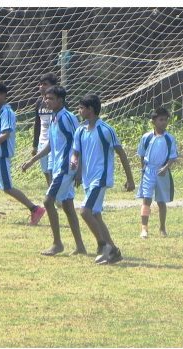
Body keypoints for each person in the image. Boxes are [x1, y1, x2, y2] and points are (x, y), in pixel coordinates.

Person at [70, 94, 135, 265]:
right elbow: (76, 153)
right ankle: (113, 251)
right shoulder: (80, 130)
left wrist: (130, 179)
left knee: (85, 211)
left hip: (100, 178)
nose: (79, 111)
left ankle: (102, 245)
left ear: (90, 109)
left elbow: (121, 153)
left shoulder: (105, 129)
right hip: (88, 178)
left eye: (81, 108)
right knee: (96, 215)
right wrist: (75, 164)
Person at [21, 86, 85, 256]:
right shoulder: (54, 117)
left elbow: (80, 143)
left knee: (48, 201)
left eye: (50, 98)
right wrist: (32, 161)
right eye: (45, 98)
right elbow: (50, 144)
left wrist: (79, 169)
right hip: (57, 167)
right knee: (68, 206)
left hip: (66, 168)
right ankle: (80, 246)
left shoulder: (67, 118)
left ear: (60, 100)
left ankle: (57, 243)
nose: (45, 101)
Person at [0, 83, 46, 225]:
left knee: (8, 188)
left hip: (1, 157)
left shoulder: (7, 112)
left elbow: (5, 134)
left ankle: (35, 209)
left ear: (4, 95)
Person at [136, 107, 178, 239]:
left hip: (162, 171)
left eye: (165, 120)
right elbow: (142, 155)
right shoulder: (146, 137)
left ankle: (162, 227)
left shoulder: (169, 138)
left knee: (161, 201)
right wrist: (143, 169)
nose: (163, 122)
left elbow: (172, 156)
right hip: (149, 171)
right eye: (161, 120)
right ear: (153, 121)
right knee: (146, 199)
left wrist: (165, 168)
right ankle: (144, 229)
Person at [32, 73, 59, 186]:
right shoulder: (39, 103)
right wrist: (35, 145)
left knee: (53, 170)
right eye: (40, 84)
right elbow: (37, 124)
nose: (41, 86)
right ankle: (51, 194)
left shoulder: (58, 103)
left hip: (54, 143)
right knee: (46, 172)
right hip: (42, 142)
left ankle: (55, 197)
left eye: (45, 84)